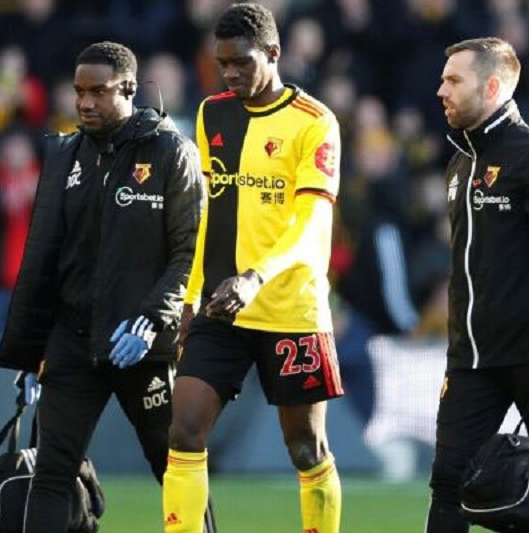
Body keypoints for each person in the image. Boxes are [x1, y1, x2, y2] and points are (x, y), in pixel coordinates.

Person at [0, 41, 215, 532]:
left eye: (99, 91)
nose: (86, 103)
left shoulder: (170, 152)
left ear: (130, 88)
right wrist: (29, 352)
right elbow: (44, 260)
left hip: (144, 348)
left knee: (175, 468)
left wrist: (153, 319)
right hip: (73, 343)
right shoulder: (65, 155)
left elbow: (190, 252)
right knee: (51, 472)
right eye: (79, 92)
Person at [162, 4, 344, 532]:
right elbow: (205, 212)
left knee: (305, 447)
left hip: (290, 308)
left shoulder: (315, 123)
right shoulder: (210, 114)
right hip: (222, 306)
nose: (231, 73)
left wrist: (257, 276)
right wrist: (190, 295)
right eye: (222, 63)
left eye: (241, 62)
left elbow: (311, 224)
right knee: (184, 431)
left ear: (273, 53)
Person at [426, 37, 529, 532]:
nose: (440, 90)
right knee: (449, 482)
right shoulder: (459, 164)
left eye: (453, 80)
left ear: (491, 86)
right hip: (470, 359)